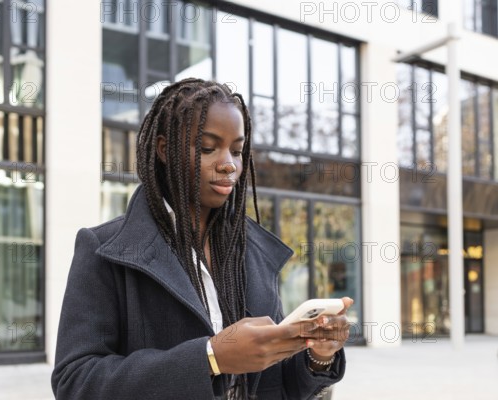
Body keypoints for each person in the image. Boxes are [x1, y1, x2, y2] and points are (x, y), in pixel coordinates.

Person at [51, 78, 353, 399]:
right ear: (166, 150)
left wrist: (318, 354)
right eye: (208, 148)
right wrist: (209, 358)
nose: (228, 165)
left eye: (237, 151)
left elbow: (277, 385)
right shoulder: (104, 249)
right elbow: (75, 381)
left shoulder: (250, 250)